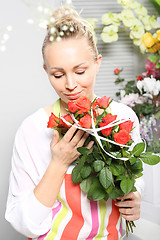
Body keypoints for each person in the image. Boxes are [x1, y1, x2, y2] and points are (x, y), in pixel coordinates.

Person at [5, 5, 144, 240]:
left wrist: (134, 199)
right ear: (46, 71)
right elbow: (23, 222)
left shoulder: (124, 118)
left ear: (98, 63)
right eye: (57, 75)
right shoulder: (33, 128)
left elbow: (134, 180)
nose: (70, 85)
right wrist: (58, 163)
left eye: (80, 71)